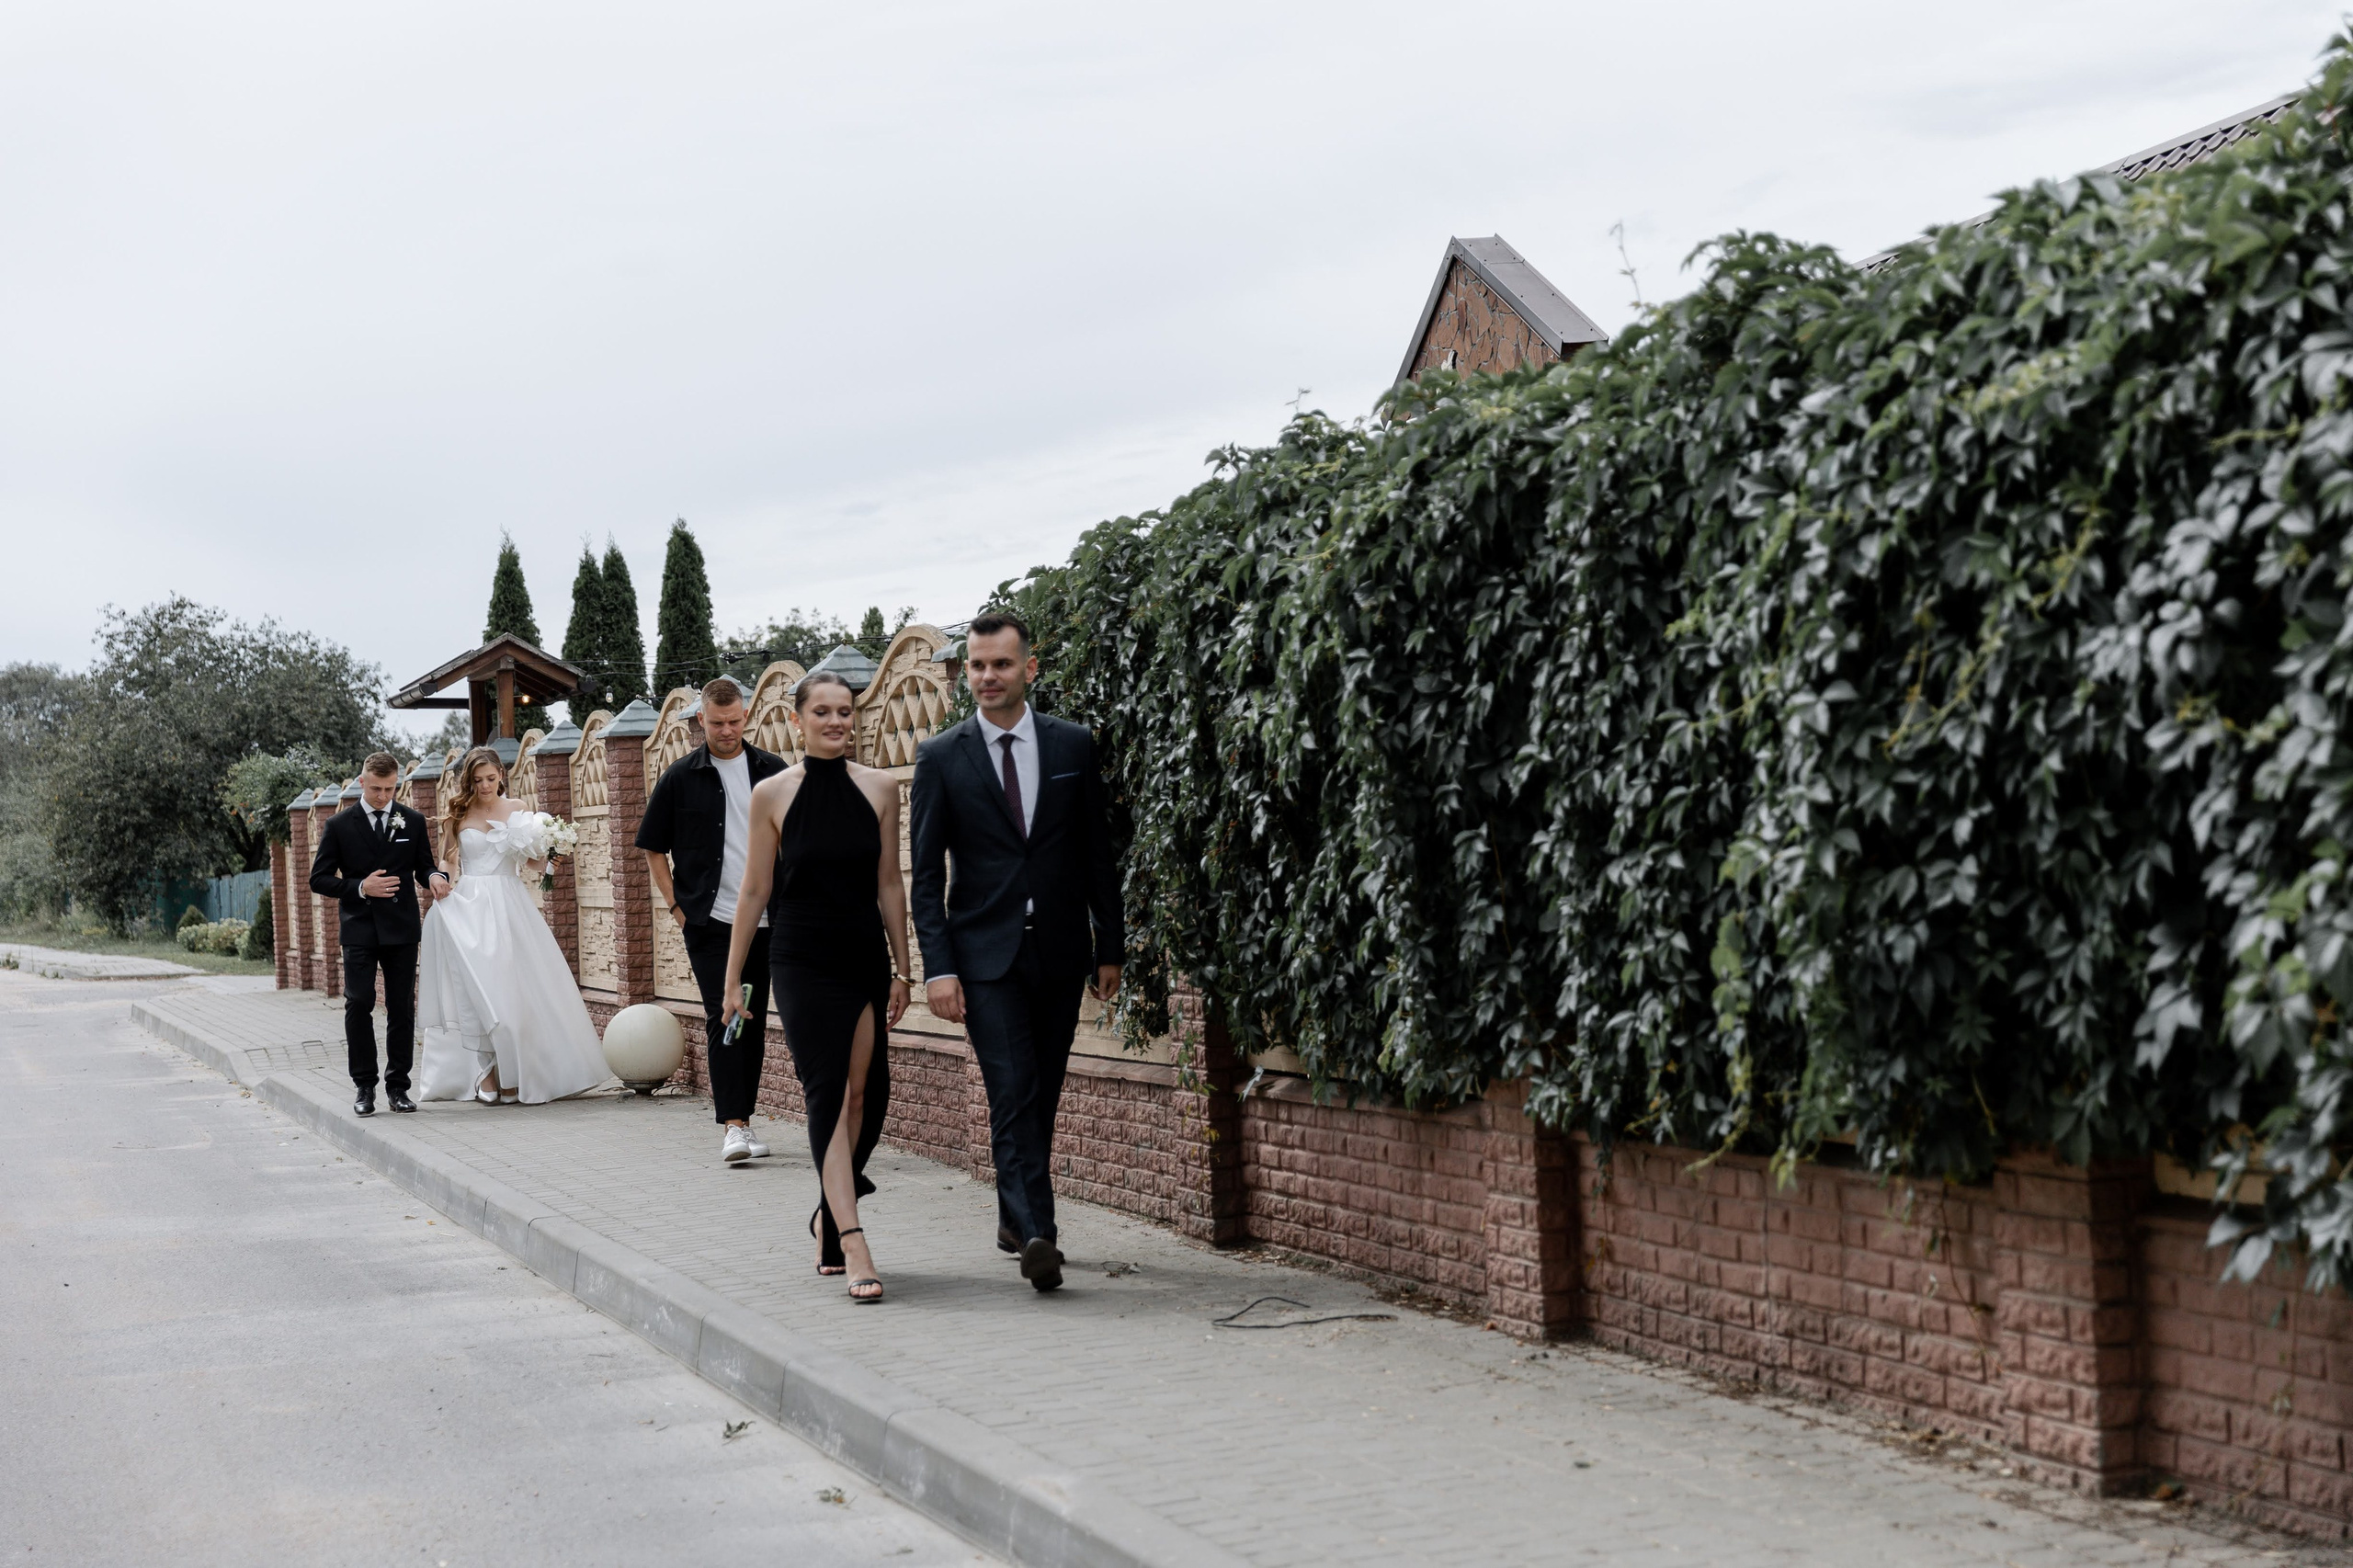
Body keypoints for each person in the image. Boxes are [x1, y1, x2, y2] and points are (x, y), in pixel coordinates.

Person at [908, 612, 1123, 1293]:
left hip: (1059, 952)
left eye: (1000, 664)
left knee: (1043, 1093)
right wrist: (937, 967)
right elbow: (925, 874)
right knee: (1012, 1089)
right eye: (976, 665)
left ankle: (1012, 1217)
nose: (986, 676)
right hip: (982, 957)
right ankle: (1039, 1234)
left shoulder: (1073, 746)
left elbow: (1097, 853)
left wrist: (1109, 945)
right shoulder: (943, 756)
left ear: (1030, 669)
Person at [722, 670, 911, 1303]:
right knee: (827, 1094)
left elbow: (889, 883)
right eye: (822, 712)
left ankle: (830, 1213)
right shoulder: (771, 794)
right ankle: (853, 1238)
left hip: (861, 956)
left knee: (866, 1100)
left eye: (845, 712)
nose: (835, 722)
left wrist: (903, 969)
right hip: (800, 960)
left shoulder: (882, 789)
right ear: (797, 719)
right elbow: (754, 890)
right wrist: (733, 982)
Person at [635, 676, 789, 1166]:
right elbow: (653, 849)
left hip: (774, 919)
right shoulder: (680, 777)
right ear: (701, 720)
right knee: (727, 1015)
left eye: (736, 721)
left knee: (758, 1019)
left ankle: (747, 1116)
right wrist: (678, 908)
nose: (727, 731)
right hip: (712, 923)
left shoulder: (774, 771)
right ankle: (734, 1126)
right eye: (718, 723)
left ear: (747, 717)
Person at [414, 746, 612, 1106]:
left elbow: (533, 863)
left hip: (510, 906)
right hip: (470, 907)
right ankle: (487, 1072)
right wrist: (440, 879)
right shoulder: (458, 815)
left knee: (516, 993)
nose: (485, 786)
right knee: (480, 991)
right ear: (468, 781)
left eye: (490, 778)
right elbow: (448, 861)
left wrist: (553, 855)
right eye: (477, 780)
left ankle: (515, 1073)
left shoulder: (519, 810)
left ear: (501, 775)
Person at [309, 751, 451, 1118]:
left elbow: (424, 866)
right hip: (358, 929)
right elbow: (319, 878)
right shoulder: (338, 825)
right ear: (361, 782)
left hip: (402, 929)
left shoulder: (413, 820)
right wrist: (360, 887)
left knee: (402, 1007)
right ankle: (364, 1086)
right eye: (376, 788)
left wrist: (436, 877)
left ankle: (398, 1087)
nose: (383, 796)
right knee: (359, 1003)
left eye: (390, 789)